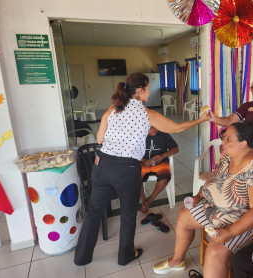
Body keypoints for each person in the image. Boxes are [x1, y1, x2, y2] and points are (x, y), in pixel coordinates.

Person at [74, 72, 209, 266]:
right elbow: (177, 128)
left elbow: (100, 140)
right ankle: (125, 255)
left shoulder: (113, 109)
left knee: (94, 212)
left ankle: (81, 257)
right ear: (140, 90)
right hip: (125, 169)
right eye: (147, 88)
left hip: (101, 165)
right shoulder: (146, 113)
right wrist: (202, 120)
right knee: (128, 215)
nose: (149, 92)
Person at [153, 121, 253, 278]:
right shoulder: (229, 158)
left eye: (228, 139)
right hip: (221, 210)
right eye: (223, 137)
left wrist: (230, 232)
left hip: (249, 222)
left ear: (243, 144)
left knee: (214, 249)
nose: (223, 143)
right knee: (184, 216)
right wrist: (198, 196)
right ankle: (177, 261)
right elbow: (215, 181)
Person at [140, 126, 179, 213]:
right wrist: (143, 160)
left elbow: (175, 149)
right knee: (134, 176)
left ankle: (149, 200)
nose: (153, 129)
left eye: (155, 126)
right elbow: (131, 152)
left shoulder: (164, 134)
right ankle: (143, 201)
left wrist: (163, 155)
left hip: (161, 163)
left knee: (165, 177)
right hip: (144, 163)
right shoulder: (139, 135)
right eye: (150, 127)